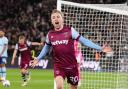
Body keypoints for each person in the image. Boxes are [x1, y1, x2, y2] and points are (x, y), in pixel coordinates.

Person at [31, 9, 110, 89]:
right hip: (59, 65)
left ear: (62, 19)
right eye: (53, 17)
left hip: (72, 66)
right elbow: (46, 47)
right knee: (59, 86)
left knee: (73, 87)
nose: (56, 19)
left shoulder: (70, 31)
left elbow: (84, 41)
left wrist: (100, 48)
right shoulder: (50, 34)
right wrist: (38, 58)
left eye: (58, 17)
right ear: (51, 21)